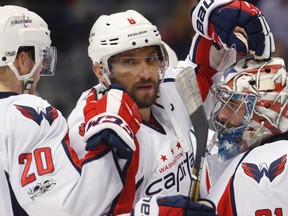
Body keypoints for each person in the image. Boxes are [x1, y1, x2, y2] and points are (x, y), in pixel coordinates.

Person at [67, 0, 273, 215]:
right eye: (130, 62)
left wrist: (215, 19)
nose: (145, 73)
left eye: (151, 59)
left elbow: (203, 69)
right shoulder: (97, 127)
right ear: (101, 72)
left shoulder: (168, 90)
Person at [0, 5, 128, 216]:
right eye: (39, 57)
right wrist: (108, 153)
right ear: (22, 60)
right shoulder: (29, 113)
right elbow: (70, 209)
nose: (40, 68)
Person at [204, 56, 288, 215]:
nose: (222, 115)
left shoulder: (246, 168)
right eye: (223, 102)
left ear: (266, 109)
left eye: (233, 104)